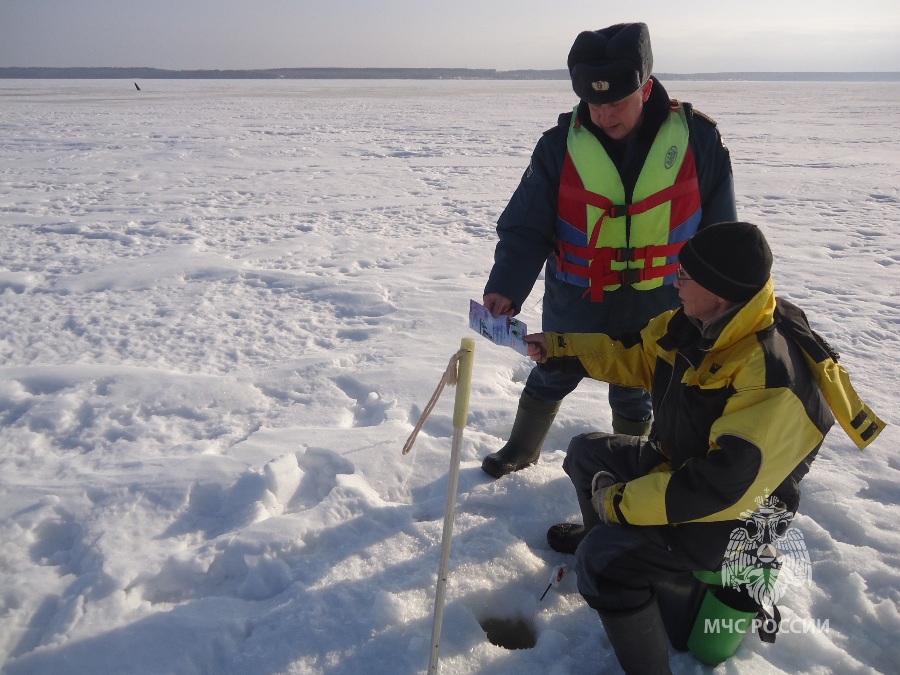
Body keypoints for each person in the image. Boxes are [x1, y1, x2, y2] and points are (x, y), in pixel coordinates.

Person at [524, 222, 884, 673]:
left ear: (721, 290)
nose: (675, 282)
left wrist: (618, 503)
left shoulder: (768, 372)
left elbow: (720, 487)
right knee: (585, 452)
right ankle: (606, 541)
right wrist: (559, 347)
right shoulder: (697, 322)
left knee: (602, 559)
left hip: (737, 518)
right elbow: (635, 354)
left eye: (685, 276)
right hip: (687, 463)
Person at [482, 22, 737, 479]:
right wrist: (505, 287)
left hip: (661, 298)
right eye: (593, 103)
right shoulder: (557, 146)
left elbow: (722, 235)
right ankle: (520, 449)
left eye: (616, 101)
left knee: (639, 383)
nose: (604, 115)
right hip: (577, 295)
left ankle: (633, 465)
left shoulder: (699, 140)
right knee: (554, 368)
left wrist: (718, 302)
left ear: (646, 86)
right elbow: (526, 228)